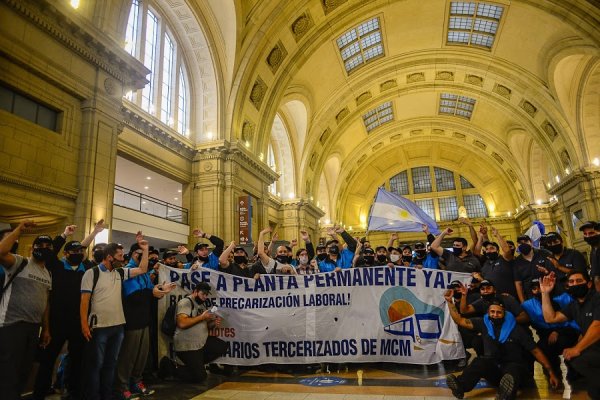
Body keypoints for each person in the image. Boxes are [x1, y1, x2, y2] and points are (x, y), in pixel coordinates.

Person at [34, 220, 106, 400]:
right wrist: (64, 235)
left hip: (78, 324)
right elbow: (52, 252)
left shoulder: (88, 269)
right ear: (65, 253)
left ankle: (73, 392)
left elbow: (82, 248)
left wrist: (95, 233)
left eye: (80, 252)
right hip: (57, 323)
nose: (78, 254)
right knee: (47, 361)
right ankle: (39, 393)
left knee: (77, 361)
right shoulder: (57, 266)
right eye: (73, 251)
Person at [444, 294, 559, 399]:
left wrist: (551, 373)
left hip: (517, 371)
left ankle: (506, 394)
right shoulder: (484, 323)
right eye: (492, 312)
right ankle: (460, 386)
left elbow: (536, 351)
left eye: (498, 312)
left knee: (512, 370)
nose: (495, 315)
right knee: (480, 361)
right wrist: (450, 302)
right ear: (488, 312)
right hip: (497, 370)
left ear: (504, 313)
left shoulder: (516, 329)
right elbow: (460, 320)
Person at [80, 236, 149, 400]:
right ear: (109, 256)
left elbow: (142, 269)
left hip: (117, 326)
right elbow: (84, 301)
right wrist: (84, 325)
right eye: (119, 256)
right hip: (99, 327)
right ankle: (94, 396)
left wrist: (145, 250)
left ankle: (107, 395)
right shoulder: (92, 273)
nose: (123, 258)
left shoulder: (119, 272)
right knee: (96, 365)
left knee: (111, 365)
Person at [115, 242, 176, 400]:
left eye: (145, 255)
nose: (143, 258)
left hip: (144, 319)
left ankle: (136, 381)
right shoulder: (129, 271)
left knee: (142, 356)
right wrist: (153, 292)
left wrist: (161, 290)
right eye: (139, 254)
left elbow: (150, 291)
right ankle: (122, 387)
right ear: (132, 254)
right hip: (132, 320)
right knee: (128, 356)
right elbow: (134, 296)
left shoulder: (144, 274)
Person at [0, 221, 52, 400]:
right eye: (39, 245)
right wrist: (19, 230)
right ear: (32, 248)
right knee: (8, 374)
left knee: (24, 372)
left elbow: (45, 302)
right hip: (12, 325)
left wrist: (45, 329)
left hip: (33, 328)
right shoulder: (20, 262)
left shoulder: (47, 274)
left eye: (47, 246)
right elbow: (0, 252)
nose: (43, 248)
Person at [541, 270, 600, 399]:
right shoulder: (574, 305)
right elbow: (550, 318)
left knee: (579, 358)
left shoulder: (597, 298)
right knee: (574, 359)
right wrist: (545, 293)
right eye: (571, 282)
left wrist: (577, 348)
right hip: (595, 348)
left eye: (579, 281)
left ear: (589, 284)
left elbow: (597, 327)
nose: (575, 284)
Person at [521, 278, 579, 381]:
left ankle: (574, 372)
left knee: (563, 343)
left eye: (540, 287)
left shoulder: (561, 299)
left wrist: (557, 332)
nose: (539, 290)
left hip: (566, 330)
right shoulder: (527, 305)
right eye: (535, 288)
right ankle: (553, 374)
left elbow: (572, 321)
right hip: (545, 333)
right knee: (539, 350)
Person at [173, 282, 227, 383]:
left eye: (207, 295)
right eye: (203, 294)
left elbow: (205, 325)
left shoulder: (201, 305)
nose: (205, 297)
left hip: (200, 344)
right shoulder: (186, 302)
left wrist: (214, 323)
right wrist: (202, 317)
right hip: (187, 346)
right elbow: (182, 323)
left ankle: (195, 365)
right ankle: (170, 367)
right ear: (195, 291)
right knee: (200, 377)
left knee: (221, 346)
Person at [579, 221, 600, 292]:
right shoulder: (594, 249)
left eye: (591, 233)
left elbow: (597, 278)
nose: (587, 236)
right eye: (585, 234)